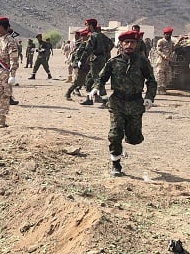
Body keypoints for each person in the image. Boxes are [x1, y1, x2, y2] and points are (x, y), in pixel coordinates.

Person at [91, 30, 156, 177]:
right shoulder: (113, 62)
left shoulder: (142, 62)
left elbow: (151, 81)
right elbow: (101, 78)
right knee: (115, 134)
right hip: (117, 103)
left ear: (137, 44)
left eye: (132, 42)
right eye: (126, 42)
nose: (129, 45)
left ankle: (128, 133)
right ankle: (116, 164)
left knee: (134, 139)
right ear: (121, 44)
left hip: (135, 103)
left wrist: (149, 97)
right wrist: (96, 88)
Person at [79, 18, 111, 107]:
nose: (86, 27)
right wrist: (105, 53)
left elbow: (87, 50)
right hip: (101, 59)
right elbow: (111, 44)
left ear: (91, 26)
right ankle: (89, 99)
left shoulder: (93, 36)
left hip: (95, 60)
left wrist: (81, 60)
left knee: (98, 80)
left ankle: (105, 101)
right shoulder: (102, 35)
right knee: (89, 80)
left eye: (87, 25)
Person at [154, 27, 186, 94]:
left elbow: (173, 48)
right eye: (167, 34)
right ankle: (160, 89)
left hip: (168, 61)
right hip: (161, 61)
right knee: (160, 75)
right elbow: (158, 51)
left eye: (170, 34)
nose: (169, 35)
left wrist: (179, 40)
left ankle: (163, 87)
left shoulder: (170, 42)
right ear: (164, 34)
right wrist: (163, 56)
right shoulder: (161, 41)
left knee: (168, 76)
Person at [65, 29, 90, 100]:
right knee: (78, 80)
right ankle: (69, 92)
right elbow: (77, 54)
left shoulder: (87, 43)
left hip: (87, 64)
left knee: (87, 81)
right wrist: (80, 62)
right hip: (81, 65)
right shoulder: (82, 44)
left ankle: (91, 97)